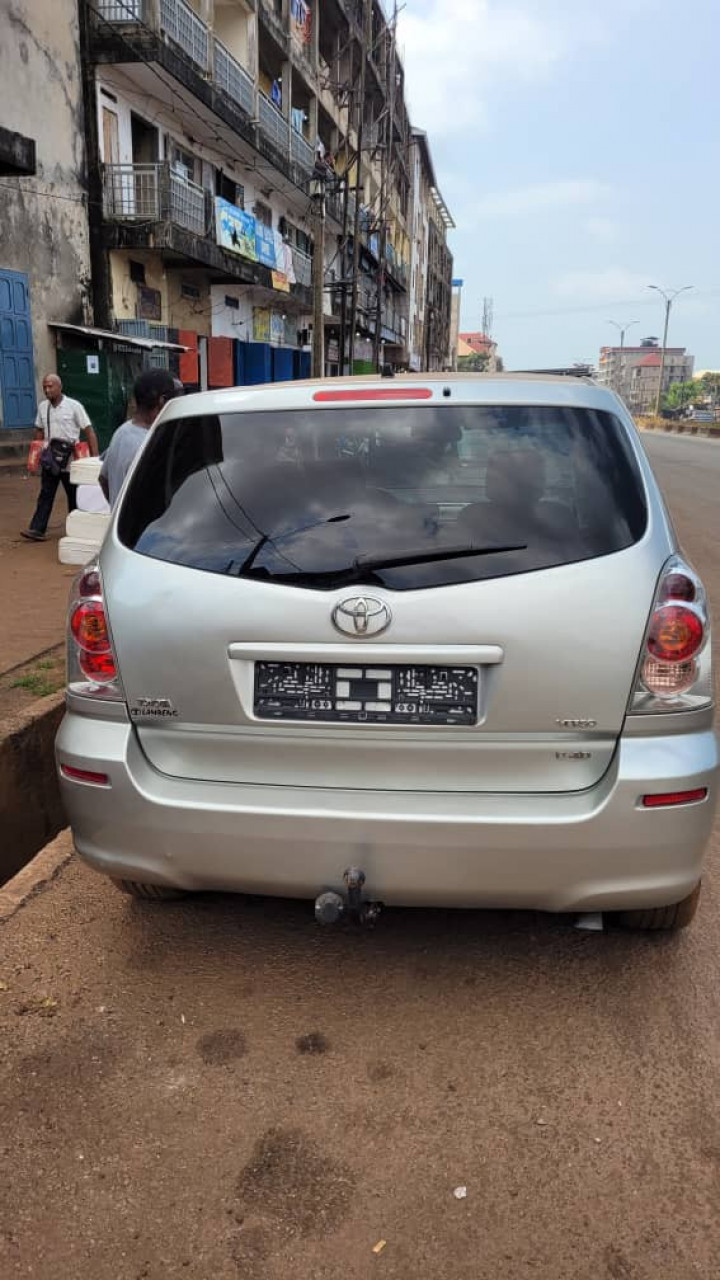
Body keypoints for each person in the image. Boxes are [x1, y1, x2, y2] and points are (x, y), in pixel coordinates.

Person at [21, 374, 99, 542]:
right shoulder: (43, 407)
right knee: (46, 494)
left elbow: (89, 431)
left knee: (74, 496)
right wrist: (36, 453)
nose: (47, 390)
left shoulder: (73, 406)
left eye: (50, 386)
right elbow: (39, 430)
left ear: (60, 387)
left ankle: (76, 529)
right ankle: (37, 529)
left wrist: (95, 458)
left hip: (71, 461)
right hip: (50, 459)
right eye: (45, 387)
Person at [99, 368, 179, 508]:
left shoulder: (121, 432)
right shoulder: (149, 446)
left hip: (120, 527)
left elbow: (103, 479)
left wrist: (118, 513)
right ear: (161, 401)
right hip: (142, 529)